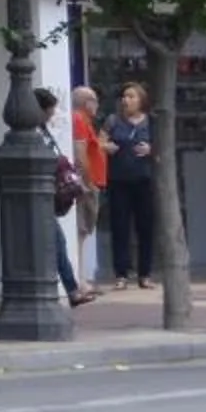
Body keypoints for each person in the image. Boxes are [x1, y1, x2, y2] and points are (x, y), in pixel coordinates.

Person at [35, 87, 95, 306]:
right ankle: (71, 290)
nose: (51, 116)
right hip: (40, 196)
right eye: (48, 112)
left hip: (48, 195)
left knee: (57, 242)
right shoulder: (34, 134)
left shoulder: (42, 131)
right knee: (56, 243)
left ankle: (71, 290)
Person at [103, 81, 160, 290]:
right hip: (118, 180)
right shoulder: (113, 120)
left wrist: (152, 150)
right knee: (120, 227)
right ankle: (121, 274)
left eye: (131, 96)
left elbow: (163, 151)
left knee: (145, 227)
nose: (126, 100)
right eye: (124, 97)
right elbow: (100, 142)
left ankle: (145, 274)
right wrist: (106, 146)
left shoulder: (151, 122)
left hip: (144, 180)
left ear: (141, 100)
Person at [70, 86, 110, 283]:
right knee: (81, 228)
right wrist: (86, 182)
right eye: (94, 100)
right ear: (87, 103)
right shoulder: (79, 120)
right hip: (88, 182)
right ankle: (79, 279)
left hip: (92, 181)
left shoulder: (86, 122)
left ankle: (80, 277)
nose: (97, 105)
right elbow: (80, 152)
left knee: (84, 230)